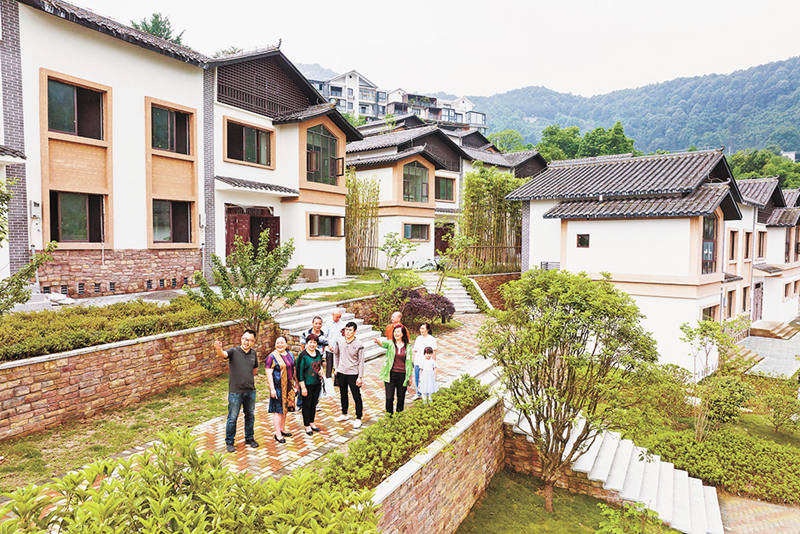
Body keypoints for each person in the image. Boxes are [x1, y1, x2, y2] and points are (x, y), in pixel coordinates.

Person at [214, 330, 259, 453]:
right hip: (235, 392)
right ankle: (229, 442)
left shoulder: (253, 354)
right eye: (245, 339)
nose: (246, 342)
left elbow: (254, 370)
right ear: (241, 339)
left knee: (250, 416)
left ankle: (249, 438)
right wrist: (218, 349)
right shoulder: (233, 351)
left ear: (253, 342)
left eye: (250, 340)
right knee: (232, 417)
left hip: (250, 391)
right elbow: (223, 354)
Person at [374, 324, 413, 414]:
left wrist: (410, 377)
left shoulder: (408, 347)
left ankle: (399, 416)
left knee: (401, 397)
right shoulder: (390, 344)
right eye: (395, 332)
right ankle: (389, 416)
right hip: (390, 374)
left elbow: (409, 363)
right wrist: (378, 341)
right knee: (389, 398)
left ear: (403, 334)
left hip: (402, 375)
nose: (396, 333)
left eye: (398, 332)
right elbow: (383, 344)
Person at [332, 321, 365, 428]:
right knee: (343, 393)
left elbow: (361, 361)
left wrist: (360, 377)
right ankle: (344, 414)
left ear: (355, 331)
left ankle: (358, 417)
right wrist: (336, 368)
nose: (348, 332)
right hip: (341, 372)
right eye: (346, 329)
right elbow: (336, 354)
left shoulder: (359, 344)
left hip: (353, 373)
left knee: (356, 395)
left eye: (350, 330)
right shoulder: (340, 341)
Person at [266, 336, 296, 444]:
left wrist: (296, 384)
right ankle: (277, 434)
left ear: (286, 344)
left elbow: (293, 369)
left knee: (285, 409)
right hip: (278, 387)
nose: (280, 345)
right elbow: (268, 373)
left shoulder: (290, 355)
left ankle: (283, 429)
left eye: (282, 342)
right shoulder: (271, 357)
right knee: (278, 410)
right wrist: (272, 389)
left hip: (288, 386)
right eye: (277, 343)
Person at [296, 333, 324, 435]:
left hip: (317, 383)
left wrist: (321, 370)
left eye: (314, 342)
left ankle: (312, 422)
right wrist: (302, 387)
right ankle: (307, 425)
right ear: (307, 343)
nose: (312, 344)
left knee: (313, 403)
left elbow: (320, 364)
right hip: (306, 384)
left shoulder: (318, 353)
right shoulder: (302, 355)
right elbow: (299, 372)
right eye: (310, 342)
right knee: (306, 405)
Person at [299, 317, 327, 410]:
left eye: (319, 323)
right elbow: (302, 346)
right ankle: (300, 403)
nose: (318, 325)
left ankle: (315, 402)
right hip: (307, 359)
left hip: (317, 359)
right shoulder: (306, 333)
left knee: (316, 381)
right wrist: (305, 356)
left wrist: (322, 360)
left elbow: (324, 348)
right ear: (312, 323)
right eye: (316, 323)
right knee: (304, 380)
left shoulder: (323, 335)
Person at [322, 309, 345, 397]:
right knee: (329, 365)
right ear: (333, 315)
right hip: (330, 348)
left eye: (339, 317)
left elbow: (343, 335)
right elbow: (324, 336)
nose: (337, 318)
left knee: (338, 365)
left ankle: (337, 381)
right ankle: (328, 382)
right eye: (336, 317)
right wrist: (328, 345)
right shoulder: (328, 323)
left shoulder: (342, 323)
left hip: (338, 348)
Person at [412, 322, 437, 400]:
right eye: (420, 328)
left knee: (427, 378)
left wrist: (433, 363)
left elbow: (434, 351)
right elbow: (415, 350)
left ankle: (427, 393)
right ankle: (418, 392)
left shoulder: (432, 339)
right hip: (418, 361)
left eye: (423, 328)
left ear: (427, 329)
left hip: (427, 363)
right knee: (417, 378)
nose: (421, 330)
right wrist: (413, 361)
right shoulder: (418, 338)